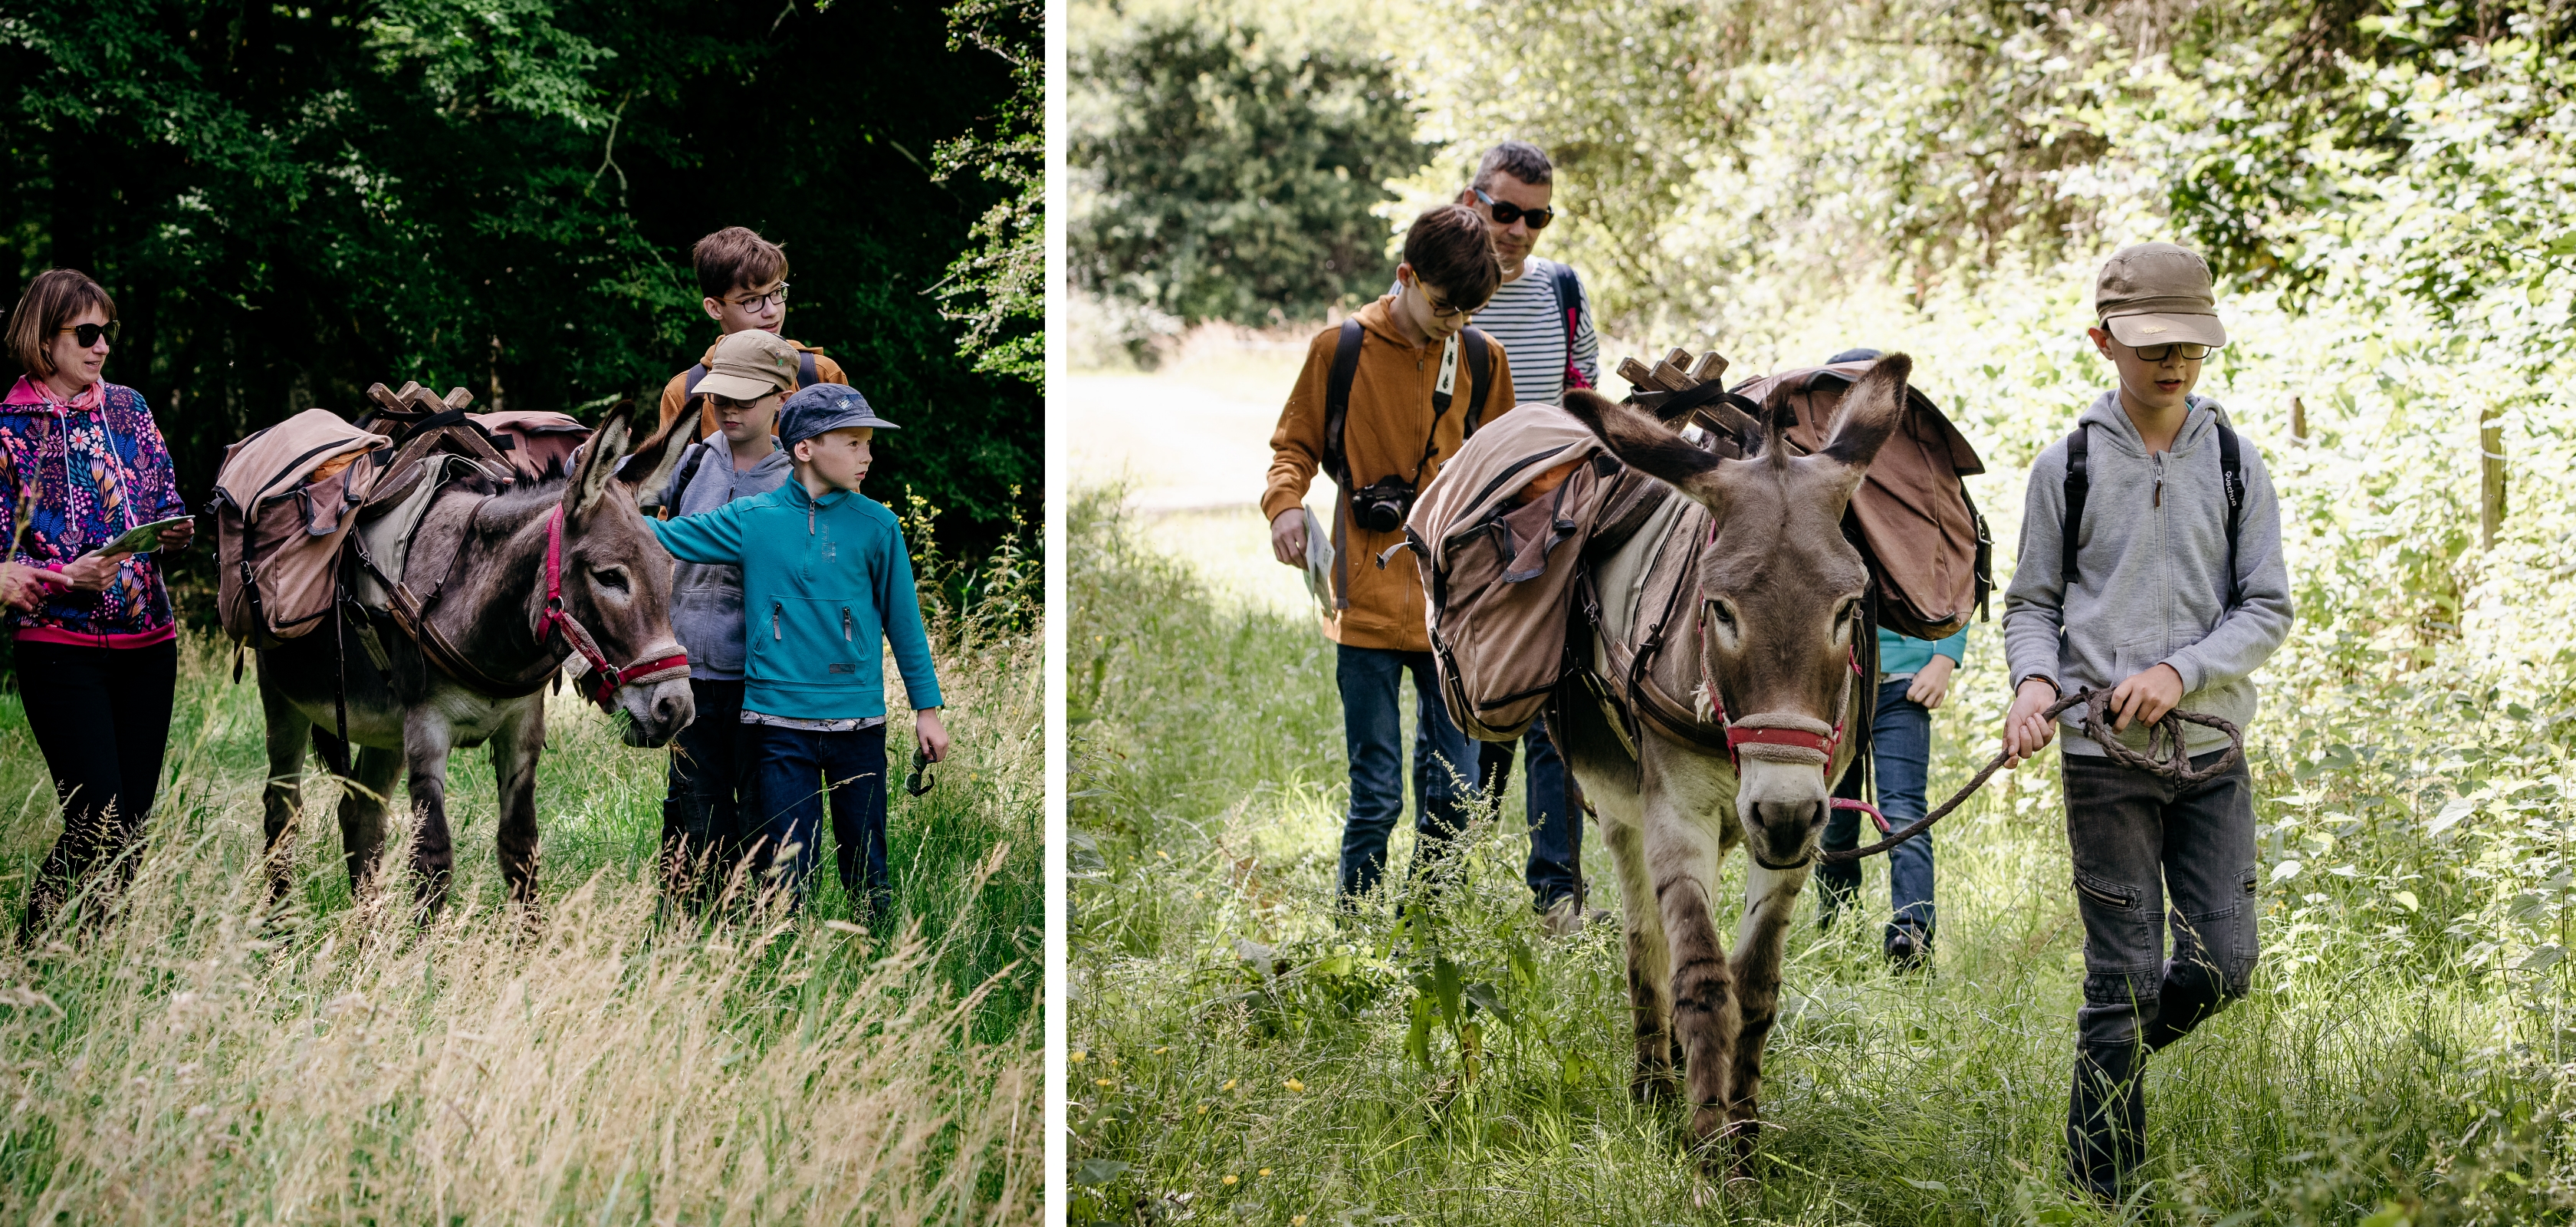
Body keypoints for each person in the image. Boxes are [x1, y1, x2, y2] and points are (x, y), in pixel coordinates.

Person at [1999, 242, 2294, 1200]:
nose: (2174, 364)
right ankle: (2101, 1192)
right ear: (2103, 341)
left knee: (2225, 962)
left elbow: (2267, 607)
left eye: (2192, 347)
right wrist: (2034, 685)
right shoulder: (2068, 465)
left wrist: (2182, 669)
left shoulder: (2239, 463)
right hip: (2103, 758)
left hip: (2211, 750)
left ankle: (2106, 1067)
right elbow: (2031, 604)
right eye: (2153, 345)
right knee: (2121, 979)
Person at [1265, 203, 1515, 909]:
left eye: (1470, 310)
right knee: (1375, 798)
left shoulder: (1481, 358)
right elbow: (1294, 447)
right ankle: (1356, 939)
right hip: (1363, 606)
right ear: (1405, 275)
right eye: (1443, 304)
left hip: (1452, 610)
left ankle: (1424, 934)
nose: (1454, 322)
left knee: (1456, 795)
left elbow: (1508, 469)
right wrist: (1285, 506)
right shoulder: (1338, 350)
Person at [647, 383, 951, 923]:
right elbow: (664, 537)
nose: (867, 455)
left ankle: (876, 955)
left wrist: (927, 712)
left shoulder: (879, 526)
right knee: (789, 868)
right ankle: (787, 962)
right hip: (778, 725)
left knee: (867, 863)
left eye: (868, 444)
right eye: (853, 442)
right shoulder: (753, 519)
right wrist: (585, 508)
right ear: (805, 448)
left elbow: (906, 628)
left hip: (859, 726)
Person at [0, 269, 195, 938]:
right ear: (44, 339)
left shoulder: (130, 409)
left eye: (106, 332)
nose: (101, 346)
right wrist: (57, 576)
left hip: (150, 644)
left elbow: (163, 493)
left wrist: (174, 527)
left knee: (132, 827)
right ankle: (32, 955)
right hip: (59, 649)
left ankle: (91, 962)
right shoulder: (6, 430)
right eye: (86, 333)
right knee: (95, 818)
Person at [1444, 140, 1602, 934]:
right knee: (1477, 703)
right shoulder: (1439, 288)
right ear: (1472, 200)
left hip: (1554, 527)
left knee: (1557, 707)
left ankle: (1556, 898)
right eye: (1505, 211)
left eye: (1536, 218)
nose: (1519, 231)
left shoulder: (1564, 294)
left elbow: (1585, 407)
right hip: (1469, 535)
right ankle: (1446, 881)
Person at [1815, 347, 1966, 970]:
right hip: (1834, 683)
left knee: (1903, 814)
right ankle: (1835, 931)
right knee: (1833, 817)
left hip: (1904, 678)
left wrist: (1946, 657)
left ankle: (1912, 940)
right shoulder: (1815, 473)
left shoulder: (1917, 482)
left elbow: (1955, 567)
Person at [652, 328, 803, 907]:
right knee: (696, 810)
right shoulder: (690, 462)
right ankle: (685, 928)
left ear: (781, 400)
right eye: (720, 397)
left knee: (764, 814)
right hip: (688, 673)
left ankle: (759, 934)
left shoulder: (800, 478)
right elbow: (619, 497)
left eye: (745, 397)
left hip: (762, 679)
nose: (728, 409)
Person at [649, 227, 847, 482]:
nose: (772, 311)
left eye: (776, 292)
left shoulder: (819, 375)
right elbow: (673, 500)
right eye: (752, 300)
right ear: (714, 308)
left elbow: (848, 487)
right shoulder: (686, 391)